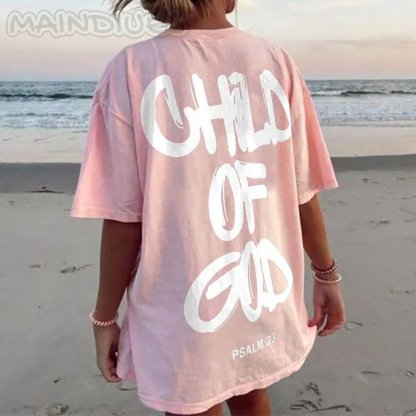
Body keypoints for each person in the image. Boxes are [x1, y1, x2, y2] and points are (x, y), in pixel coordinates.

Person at [70, 0, 347, 414]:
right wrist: (326, 273)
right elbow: (301, 189)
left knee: (192, 399)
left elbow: (125, 216)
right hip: (261, 287)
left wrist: (105, 317)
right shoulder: (275, 62)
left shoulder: (132, 69)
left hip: (182, 301)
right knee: (250, 387)